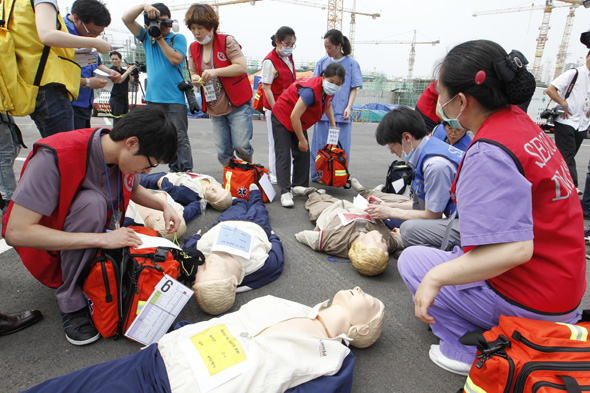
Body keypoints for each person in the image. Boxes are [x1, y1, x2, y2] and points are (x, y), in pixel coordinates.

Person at [398, 40, 585, 376]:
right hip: (563, 290)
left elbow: (515, 249)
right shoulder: (520, 123)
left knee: (416, 263)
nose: (437, 102)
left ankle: (468, 351)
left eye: (440, 93)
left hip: (533, 299)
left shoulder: (488, 151)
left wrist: (435, 279)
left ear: (461, 101)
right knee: (449, 252)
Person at [2, 105, 182, 346]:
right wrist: (102, 240)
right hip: (46, 249)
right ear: (131, 143)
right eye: (150, 163)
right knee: (92, 203)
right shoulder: (55, 156)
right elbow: (16, 232)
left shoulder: (114, 147)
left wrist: (163, 204)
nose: (147, 171)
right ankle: (71, 301)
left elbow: (133, 186)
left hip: (91, 234)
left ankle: (91, 276)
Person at [22, 288, 384, 393]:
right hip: (160, 356)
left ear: (364, 329)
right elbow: (228, 321)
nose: (357, 288)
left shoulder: (335, 359)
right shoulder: (289, 302)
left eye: (370, 300)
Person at [3, 0, 112, 138]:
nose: (94, 36)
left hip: (29, 80)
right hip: (49, 83)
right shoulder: (58, 22)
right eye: (92, 32)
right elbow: (47, 35)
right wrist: (94, 43)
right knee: (63, 148)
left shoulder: (11, 4)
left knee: (54, 146)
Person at [364, 106, 463, 250]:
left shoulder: (435, 165)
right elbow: (420, 204)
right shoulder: (431, 149)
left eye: (391, 146)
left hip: (473, 226)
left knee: (409, 229)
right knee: (394, 217)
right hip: (462, 217)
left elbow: (433, 215)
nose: (391, 151)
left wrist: (391, 212)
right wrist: (388, 206)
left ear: (406, 137)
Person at [184, 184, 284, 315]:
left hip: (226, 223)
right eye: (213, 269)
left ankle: (238, 200)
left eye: (201, 270)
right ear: (234, 281)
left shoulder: (194, 267)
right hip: (255, 225)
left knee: (237, 206)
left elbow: (186, 251)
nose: (207, 263)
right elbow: (277, 259)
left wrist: (195, 237)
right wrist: (273, 238)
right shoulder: (257, 268)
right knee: (258, 208)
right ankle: (255, 195)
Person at [123, 2, 193, 173]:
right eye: (157, 23)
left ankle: (184, 172)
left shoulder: (178, 38)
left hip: (175, 99)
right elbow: (126, 19)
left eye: (164, 22)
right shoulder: (147, 37)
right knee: (154, 137)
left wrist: (159, 37)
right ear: (148, 25)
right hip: (153, 99)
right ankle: (153, 172)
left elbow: (175, 59)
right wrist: (143, 6)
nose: (161, 26)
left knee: (179, 137)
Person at [184, 3, 254, 168]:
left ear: (211, 26)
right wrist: (195, 78)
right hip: (214, 106)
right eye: (192, 28)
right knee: (223, 151)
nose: (196, 32)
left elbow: (241, 66)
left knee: (241, 146)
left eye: (200, 27)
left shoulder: (226, 41)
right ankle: (231, 180)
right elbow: (192, 71)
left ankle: (247, 175)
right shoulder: (193, 48)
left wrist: (215, 72)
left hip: (237, 103)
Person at [272, 63, 345, 208]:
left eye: (338, 84)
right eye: (331, 81)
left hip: (298, 120)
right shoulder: (310, 91)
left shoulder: (328, 90)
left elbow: (328, 104)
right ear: (323, 76)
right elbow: (294, 116)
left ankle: (300, 186)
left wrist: (333, 125)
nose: (334, 85)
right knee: (284, 153)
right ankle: (285, 191)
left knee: (303, 153)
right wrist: (301, 139)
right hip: (283, 116)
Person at [294, 187, 400, 276]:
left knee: (316, 203)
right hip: (355, 207)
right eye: (383, 242)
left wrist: (298, 235)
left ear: (360, 246)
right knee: (332, 199)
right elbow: (400, 241)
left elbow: (307, 237)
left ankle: (310, 192)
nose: (380, 237)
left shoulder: (334, 243)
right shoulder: (389, 243)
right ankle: (367, 191)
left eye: (376, 240)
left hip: (328, 212)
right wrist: (400, 234)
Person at [310, 29, 362, 182]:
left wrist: (349, 107)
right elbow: (315, 86)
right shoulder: (322, 62)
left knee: (341, 148)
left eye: (330, 47)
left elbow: (354, 87)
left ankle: (339, 177)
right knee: (319, 147)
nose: (327, 50)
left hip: (342, 116)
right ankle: (318, 176)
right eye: (325, 47)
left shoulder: (352, 64)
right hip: (323, 115)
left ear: (339, 45)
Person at [65, 0, 121, 130]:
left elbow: (94, 62)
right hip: (68, 103)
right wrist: (87, 82)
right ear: (76, 19)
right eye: (92, 32)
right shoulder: (61, 32)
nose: (94, 37)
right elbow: (55, 73)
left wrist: (110, 72)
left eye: (98, 33)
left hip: (84, 102)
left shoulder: (86, 35)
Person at [545, 51, 590, 192]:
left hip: (582, 123)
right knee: (568, 155)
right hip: (566, 121)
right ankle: (572, 186)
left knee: (565, 157)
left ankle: (552, 180)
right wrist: (563, 103)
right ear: (588, 56)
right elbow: (550, 90)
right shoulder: (574, 73)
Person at [260, 26, 297, 184]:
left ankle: (287, 172)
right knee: (275, 141)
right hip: (274, 107)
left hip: (288, 106)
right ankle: (275, 174)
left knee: (286, 142)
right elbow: (266, 88)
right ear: (277, 42)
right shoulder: (269, 61)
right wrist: (275, 109)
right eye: (287, 43)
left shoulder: (288, 58)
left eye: (292, 44)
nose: (289, 47)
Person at [141, 171, 233, 211]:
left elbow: (172, 192)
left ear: (211, 202)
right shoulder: (213, 182)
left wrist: (163, 181)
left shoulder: (193, 195)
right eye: (219, 189)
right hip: (172, 174)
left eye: (214, 195)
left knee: (134, 177)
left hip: (160, 179)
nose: (213, 189)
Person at [108, 51, 135, 126]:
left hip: (124, 99)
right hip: (116, 99)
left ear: (120, 59)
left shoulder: (123, 71)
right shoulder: (111, 70)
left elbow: (131, 80)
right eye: (112, 59)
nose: (114, 61)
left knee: (124, 121)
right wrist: (127, 71)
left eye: (116, 59)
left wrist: (128, 71)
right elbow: (119, 80)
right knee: (117, 121)